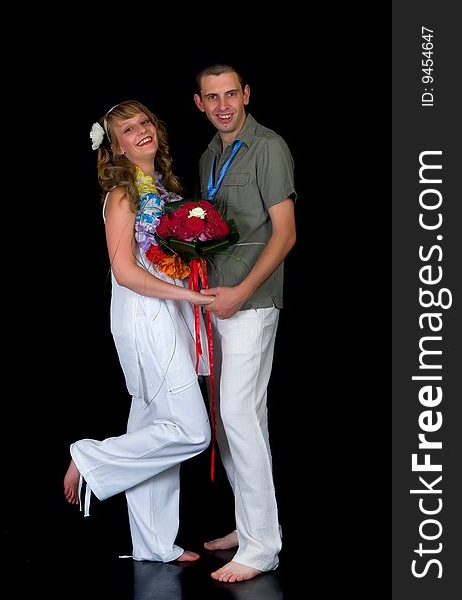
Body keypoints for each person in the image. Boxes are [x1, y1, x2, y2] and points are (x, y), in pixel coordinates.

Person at [63, 100, 214, 563]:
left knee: (152, 422)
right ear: (117, 147)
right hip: (146, 315)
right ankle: (89, 457)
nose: (141, 131)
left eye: (145, 122)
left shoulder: (161, 186)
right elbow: (124, 271)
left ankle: (153, 546)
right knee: (192, 431)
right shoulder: (123, 194)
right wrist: (187, 296)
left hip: (167, 310)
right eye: (128, 129)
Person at [193, 64, 297, 583]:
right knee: (225, 424)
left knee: (240, 418)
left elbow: (285, 234)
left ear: (246, 94)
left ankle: (262, 548)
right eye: (212, 97)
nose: (223, 104)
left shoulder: (269, 148)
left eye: (231, 94)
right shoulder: (209, 154)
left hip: (251, 304)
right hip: (216, 302)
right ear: (200, 103)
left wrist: (240, 293)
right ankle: (249, 521)